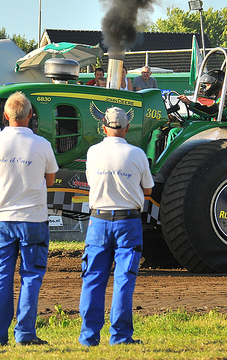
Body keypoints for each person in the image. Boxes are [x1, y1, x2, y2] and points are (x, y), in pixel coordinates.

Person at [0, 92, 58, 347]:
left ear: (5, 116)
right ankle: (25, 334)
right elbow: (50, 180)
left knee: (1, 276)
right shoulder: (42, 144)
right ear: (30, 115)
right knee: (31, 276)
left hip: (2, 218)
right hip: (33, 219)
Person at [79, 106, 154, 347]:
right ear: (127, 128)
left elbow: (91, 182)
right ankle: (120, 336)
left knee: (93, 279)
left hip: (98, 220)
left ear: (103, 127)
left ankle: (89, 337)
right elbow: (149, 189)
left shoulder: (93, 152)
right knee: (124, 279)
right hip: (128, 221)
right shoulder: (138, 154)